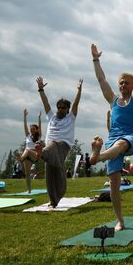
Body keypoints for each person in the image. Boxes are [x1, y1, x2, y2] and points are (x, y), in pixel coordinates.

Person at [89, 41, 133, 231]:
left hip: (131, 139)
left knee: (121, 144)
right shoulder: (112, 100)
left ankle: (97, 156)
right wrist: (96, 59)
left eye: (126, 83)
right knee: (114, 182)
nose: (122, 85)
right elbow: (101, 80)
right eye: (120, 82)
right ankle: (120, 220)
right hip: (112, 140)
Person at [34, 76, 82, 208]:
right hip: (50, 149)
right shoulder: (51, 117)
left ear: (67, 109)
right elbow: (46, 103)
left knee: (53, 145)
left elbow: (76, 104)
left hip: (62, 146)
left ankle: (40, 154)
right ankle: (53, 201)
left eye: (63, 108)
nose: (60, 109)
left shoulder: (71, 118)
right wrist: (41, 89)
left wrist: (79, 90)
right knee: (51, 173)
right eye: (59, 107)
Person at [18, 109, 42, 193]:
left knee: (27, 150)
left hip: (35, 155)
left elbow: (39, 125)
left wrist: (39, 118)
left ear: (36, 129)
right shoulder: (28, 136)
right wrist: (24, 116)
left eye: (33, 129)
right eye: (30, 129)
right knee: (27, 174)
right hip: (27, 157)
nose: (31, 130)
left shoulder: (38, 136)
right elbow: (24, 125)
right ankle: (29, 190)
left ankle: (20, 158)